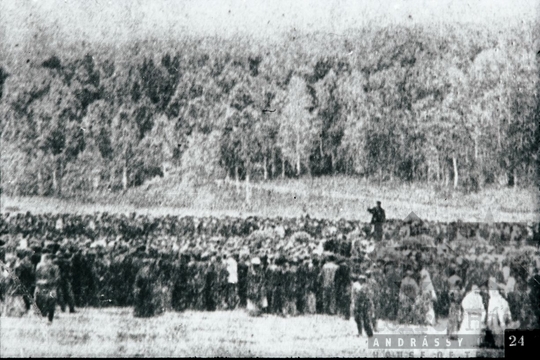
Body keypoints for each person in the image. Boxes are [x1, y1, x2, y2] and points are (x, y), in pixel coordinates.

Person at [34, 247, 61, 323]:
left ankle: (50, 318)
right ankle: (42, 315)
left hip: (51, 287)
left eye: (48, 259)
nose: (46, 261)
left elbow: (57, 278)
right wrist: (39, 282)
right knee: (38, 300)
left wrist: (50, 281)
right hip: (41, 287)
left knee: (51, 301)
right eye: (45, 259)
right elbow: (36, 276)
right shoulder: (39, 266)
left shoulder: (55, 267)